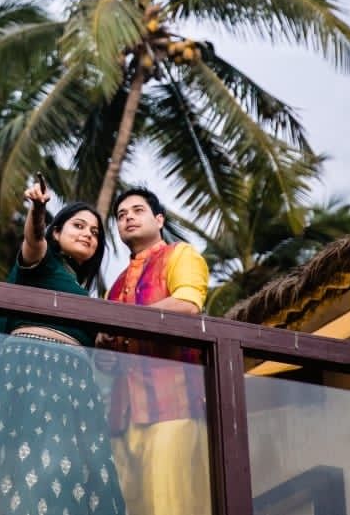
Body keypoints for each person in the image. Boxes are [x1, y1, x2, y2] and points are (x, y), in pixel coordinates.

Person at [0, 181, 126, 515]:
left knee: (67, 471)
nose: (88, 235)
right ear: (57, 233)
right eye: (79, 226)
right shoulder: (42, 264)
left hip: (72, 386)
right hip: (29, 374)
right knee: (24, 464)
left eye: (95, 232)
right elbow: (33, 239)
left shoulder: (84, 297)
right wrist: (38, 209)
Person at [99, 187, 211, 515]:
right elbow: (108, 361)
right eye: (121, 216)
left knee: (173, 505)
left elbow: (188, 304)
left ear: (158, 219)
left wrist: (120, 324)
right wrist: (103, 347)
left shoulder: (181, 255)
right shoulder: (115, 287)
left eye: (137, 211)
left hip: (174, 405)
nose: (128, 218)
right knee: (132, 506)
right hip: (123, 414)